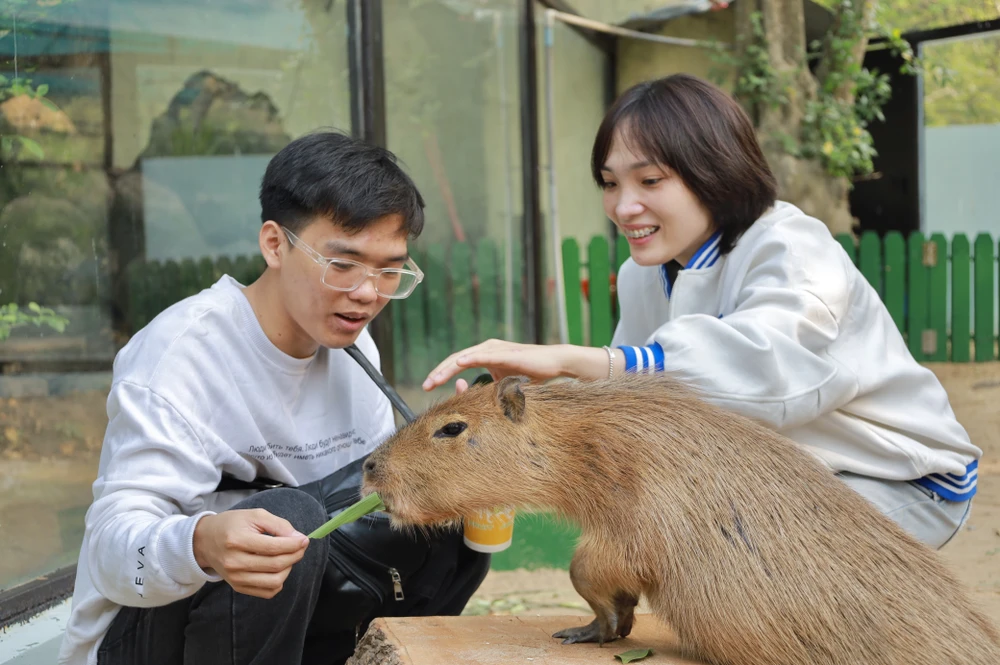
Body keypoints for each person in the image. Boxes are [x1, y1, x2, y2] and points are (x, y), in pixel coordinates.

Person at [423, 74, 981, 551]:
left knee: (735, 564)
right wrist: (510, 414)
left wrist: (575, 359)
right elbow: (635, 403)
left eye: (650, 181)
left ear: (716, 170)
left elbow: (767, 373)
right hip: (794, 479)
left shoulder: (790, 246)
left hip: (900, 478)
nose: (624, 206)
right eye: (610, 183)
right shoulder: (644, 273)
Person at [60, 131, 486, 665]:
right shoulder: (180, 356)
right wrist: (202, 543)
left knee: (449, 506)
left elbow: (371, 505)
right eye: (343, 264)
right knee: (286, 515)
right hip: (148, 638)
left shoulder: (354, 348)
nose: (367, 293)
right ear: (274, 244)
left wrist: (454, 453)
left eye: (389, 270)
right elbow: (111, 553)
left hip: (287, 620)